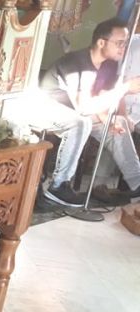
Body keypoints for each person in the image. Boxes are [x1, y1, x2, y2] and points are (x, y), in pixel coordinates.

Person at [38, 17, 140, 206]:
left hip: (78, 112)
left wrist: (108, 119)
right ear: (101, 42)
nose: (124, 48)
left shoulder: (109, 64)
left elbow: (100, 96)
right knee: (82, 122)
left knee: (117, 122)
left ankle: (137, 182)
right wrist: (124, 88)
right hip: (48, 108)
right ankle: (58, 186)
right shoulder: (77, 62)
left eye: (125, 43)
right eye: (119, 43)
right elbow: (84, 107)